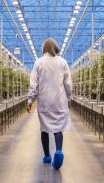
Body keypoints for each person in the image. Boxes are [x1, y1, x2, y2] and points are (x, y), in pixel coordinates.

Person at [27, 38, 73, 170]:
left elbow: (34, 83)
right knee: (58, 127)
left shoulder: (39, 63)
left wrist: (30, 99)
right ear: (55, 47)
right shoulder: (63, 62)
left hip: (45, 101)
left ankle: (47, 156)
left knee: (45, 128)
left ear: (44, 48)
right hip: (59, 100)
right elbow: (68, 84)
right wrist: (69, 98)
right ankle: (58, 151)